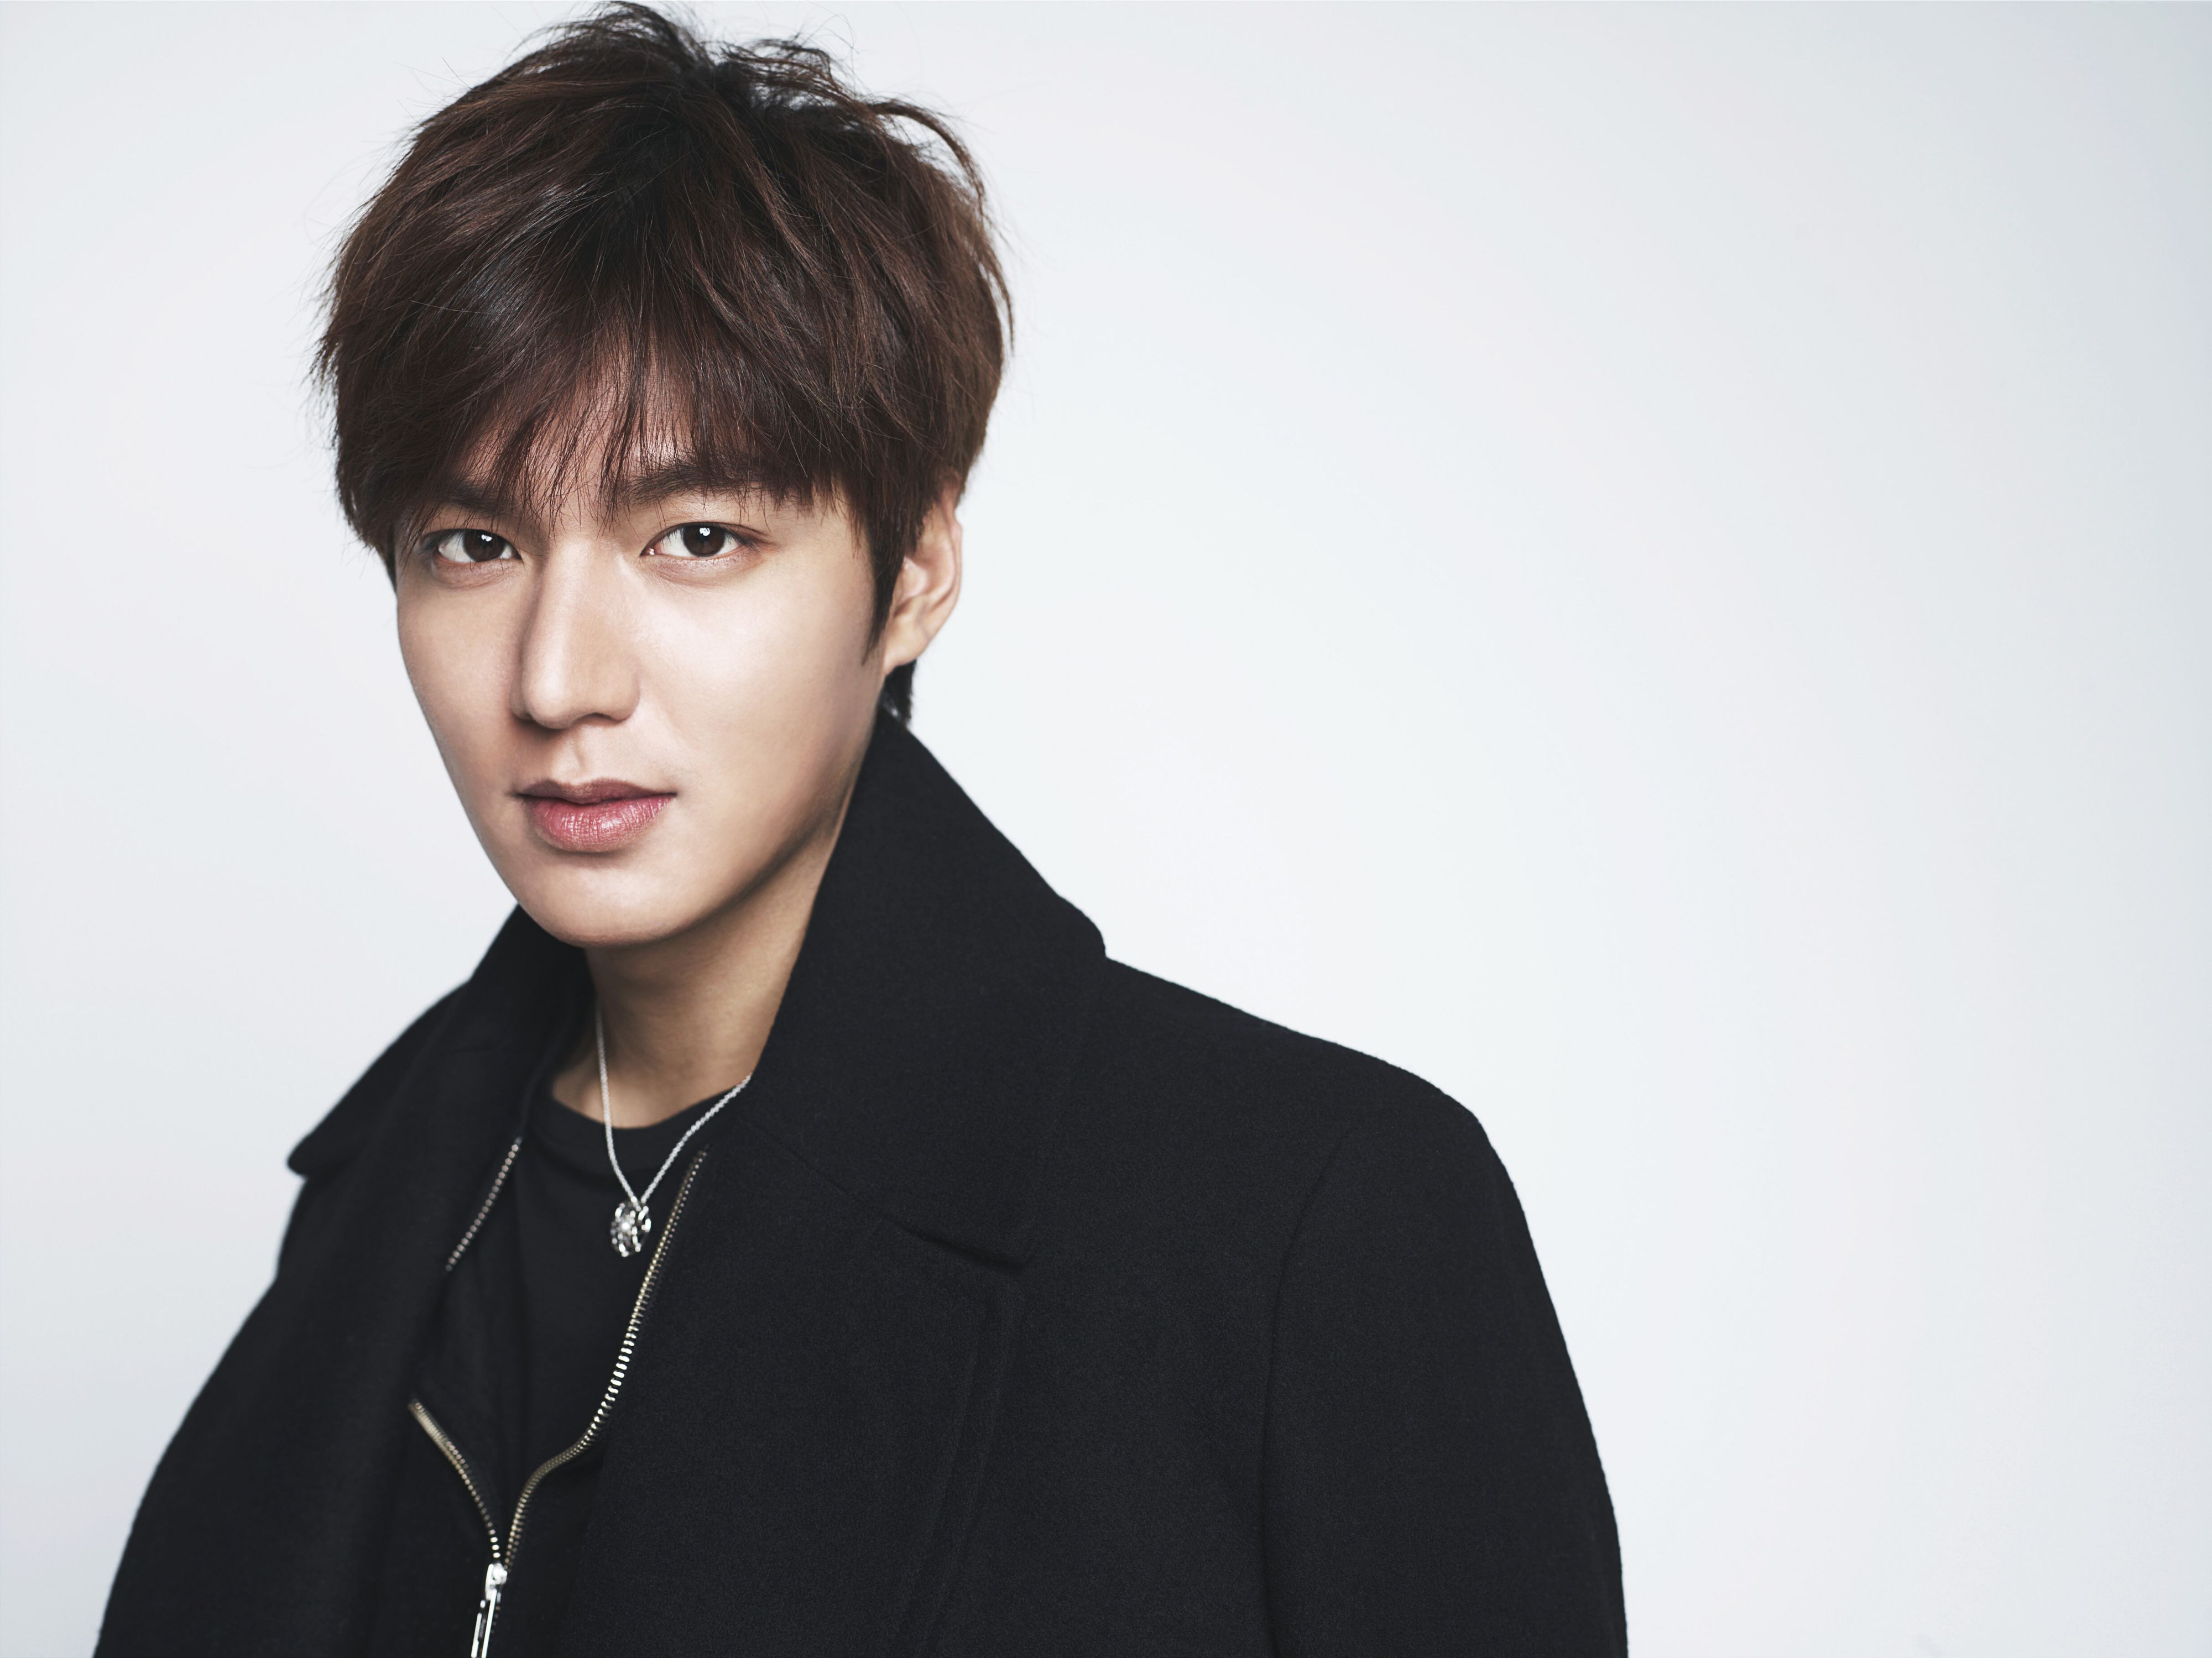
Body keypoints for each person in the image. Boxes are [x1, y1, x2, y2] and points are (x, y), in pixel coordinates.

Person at [95, 7, 1624, 1654]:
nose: (558, 680)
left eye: (696, 537)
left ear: (914, 576)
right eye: (474, 544)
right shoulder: (382, 1204)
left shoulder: (1309, 1221)